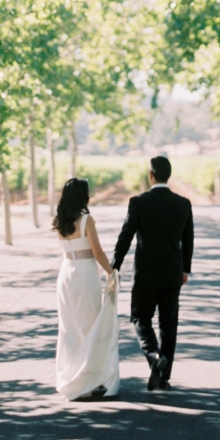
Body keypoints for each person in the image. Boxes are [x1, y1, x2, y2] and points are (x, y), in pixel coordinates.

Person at [112, 155, 194, 391]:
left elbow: (125, 237)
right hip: (172, 274)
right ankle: (163, 377)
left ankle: (154, 357)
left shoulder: (138, 202)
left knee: (140, 317)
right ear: (169, 175)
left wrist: (114, 266)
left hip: (145, 275)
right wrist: (185, 269)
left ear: (150, 175)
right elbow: (188, 240)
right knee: (169, 325)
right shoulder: (183, 203)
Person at [53, 177, 120, 401]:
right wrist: (112, 272)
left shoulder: (60, 221)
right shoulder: (86, 220)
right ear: (83, 195)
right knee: (90, 325)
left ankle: (73, 377)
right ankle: (89, 379)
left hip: (66, 273)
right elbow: (97, 253)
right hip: (84, 274)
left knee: (69, 327)